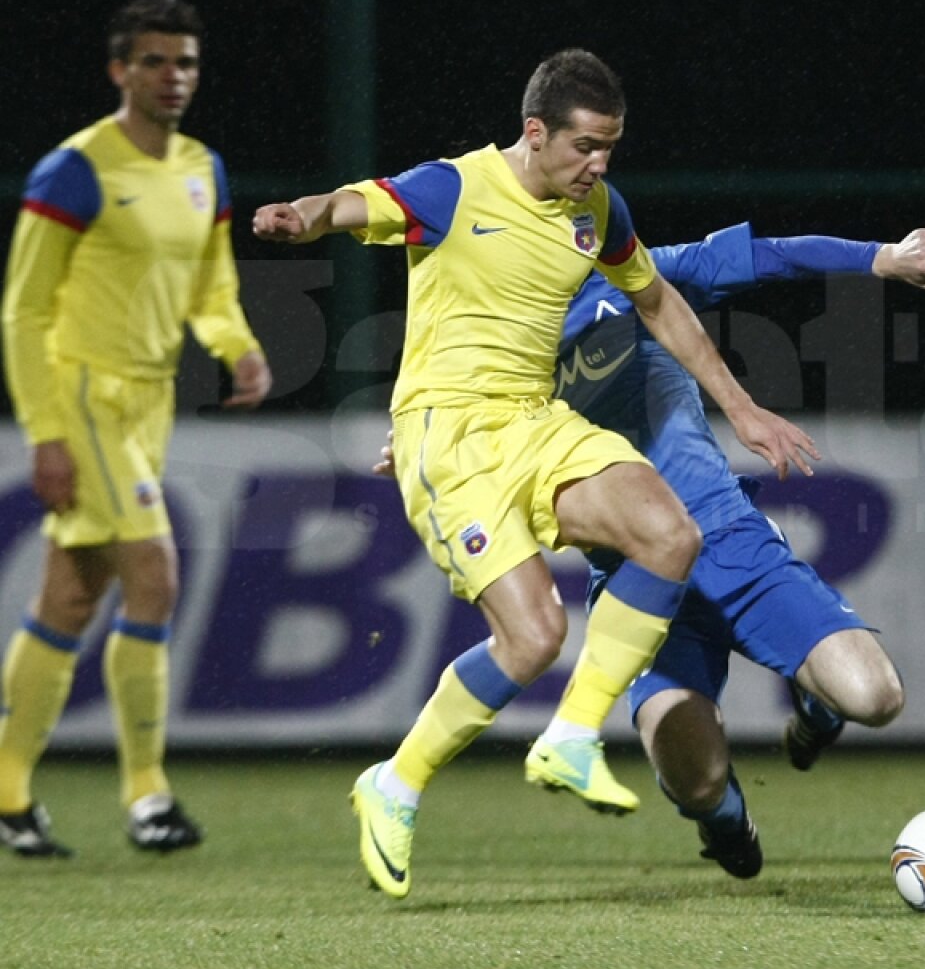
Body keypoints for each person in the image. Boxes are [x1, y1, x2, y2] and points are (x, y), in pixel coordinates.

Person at [252, 49, 816, 900]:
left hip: (538, 420)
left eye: (611, 149)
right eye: (586, 145)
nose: (598, 165)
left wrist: (739, 408)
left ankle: (573, 735)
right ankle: (394, 784)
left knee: (670, 533)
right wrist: (301, 217)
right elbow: (346, 203)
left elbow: (656, 298)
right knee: (532, 638)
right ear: (535, 132)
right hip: (450, 437)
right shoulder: (453, 188)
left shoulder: (598, 210)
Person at [555, 221, 925, 878]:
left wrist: (881, 256)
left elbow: (765, 257)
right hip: (635, 581)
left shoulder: (625, 275)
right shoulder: (491, 351)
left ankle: (817, 703)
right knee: (694, 783)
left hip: (726, 538)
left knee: (877, 699)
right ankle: (726, 822)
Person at [0, 0, 272, 858]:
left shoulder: (203, 168)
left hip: (149, 401)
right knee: (154, 576)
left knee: (70, 597)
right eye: (154, 62)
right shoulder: (74, 170)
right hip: (82, 395)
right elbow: (22, 311)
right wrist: (44, 430)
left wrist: (239, 346)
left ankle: (6, 794)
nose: (173, 77)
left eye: (185, 63)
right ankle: (148, 795)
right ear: (119, 70)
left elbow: (210, 289)